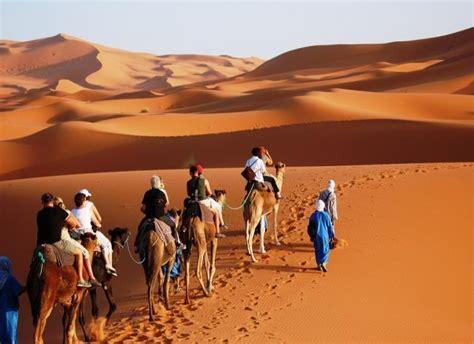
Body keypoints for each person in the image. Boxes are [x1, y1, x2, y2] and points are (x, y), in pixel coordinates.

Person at [37, 193, 94, 287]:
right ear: (51, 201)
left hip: (41, 244)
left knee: (35, 261)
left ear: (42, 202)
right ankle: (80, 279)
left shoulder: (39, 214)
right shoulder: (59, 211)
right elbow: (73, 223)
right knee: (79, 252)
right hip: (56, 242)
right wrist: (69, 226)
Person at [53, 197, 100, 286]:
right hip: (65, 238)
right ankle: (88, 278)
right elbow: (77, 225)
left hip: (51, 239)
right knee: (85, 252)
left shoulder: (50, 213)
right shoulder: (65, 213)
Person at [71, 193, 117, 277]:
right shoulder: (87, 210)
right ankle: (108, 264)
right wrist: (98, 225)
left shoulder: (72, 211)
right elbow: (97, 223)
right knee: (107, 244)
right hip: (88, 234)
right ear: (84, 201)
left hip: (76, 235)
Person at [135, 175, 181, 250]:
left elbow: (143, 208)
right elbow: (166, 204)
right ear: (159, 183)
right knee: (173, 225)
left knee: (140, 227)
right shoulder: (162, 193)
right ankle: (176, 242)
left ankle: (137, 244)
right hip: (161, 217)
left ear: (151, 184)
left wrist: (146, 211)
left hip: (149, 217)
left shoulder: (147, 193)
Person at [187, 164, 224, 238]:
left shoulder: (188, 182)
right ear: (197, 172)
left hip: (193, 203)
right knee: (216, 213)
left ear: (190, 173)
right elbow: (209, 193)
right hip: (203, 202)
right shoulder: (204, 181)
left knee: (183, 214)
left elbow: (188, 194)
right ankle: (217, 232)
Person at [0, 257, 24, 344]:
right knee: (11, 333)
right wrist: (27, 287)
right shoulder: (9, 278)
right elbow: (18, 290)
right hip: (9, 311)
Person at [307, 200, 335, 272]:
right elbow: (329, 226)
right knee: (325, 250)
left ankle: (319, 264)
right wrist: (332, 235)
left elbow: (309, 226)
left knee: (317, 250)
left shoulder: (313, 215)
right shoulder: (326, 215)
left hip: (316, 237)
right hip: (325, 236)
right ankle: (324, 263)